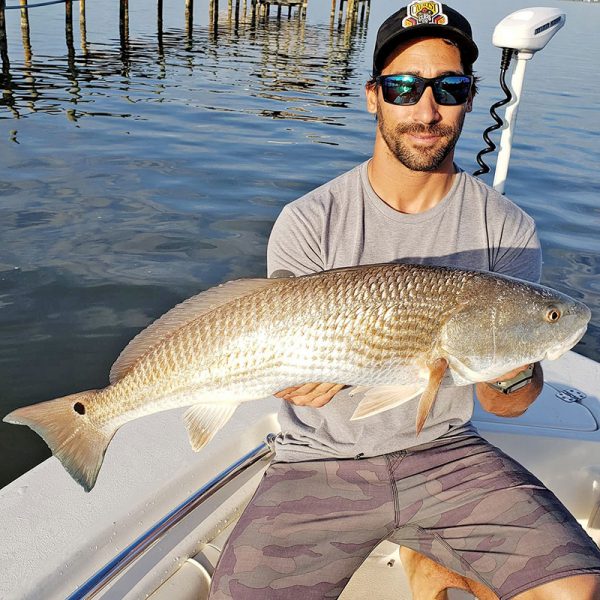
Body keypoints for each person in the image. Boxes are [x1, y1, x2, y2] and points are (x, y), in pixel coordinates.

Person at [209, 3, 600, 599]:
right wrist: (290, 381)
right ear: (373, 97)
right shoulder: (309, 220)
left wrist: (516, 363)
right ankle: (428, 552)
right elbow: (283, 352)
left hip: (446, 451)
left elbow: (509, 406)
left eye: (449, 87)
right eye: (403, 86)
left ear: (470, 97)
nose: (427, 109)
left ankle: (425, 549)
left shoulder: (507, 227)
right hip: (317, 457)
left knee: (574, 591)